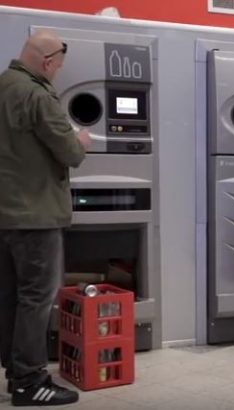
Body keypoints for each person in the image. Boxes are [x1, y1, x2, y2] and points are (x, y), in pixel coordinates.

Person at [0, 29, 91, 406]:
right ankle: (29, 381)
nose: (57, 72)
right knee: (36, 299)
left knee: (12, 297)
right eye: (58, 66)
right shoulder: (38, 94)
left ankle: (15, 372)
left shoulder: (3, 84)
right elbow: (70, 153)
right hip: (36, 215)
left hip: (5, 215)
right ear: (47, 61)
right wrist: (80, 140)